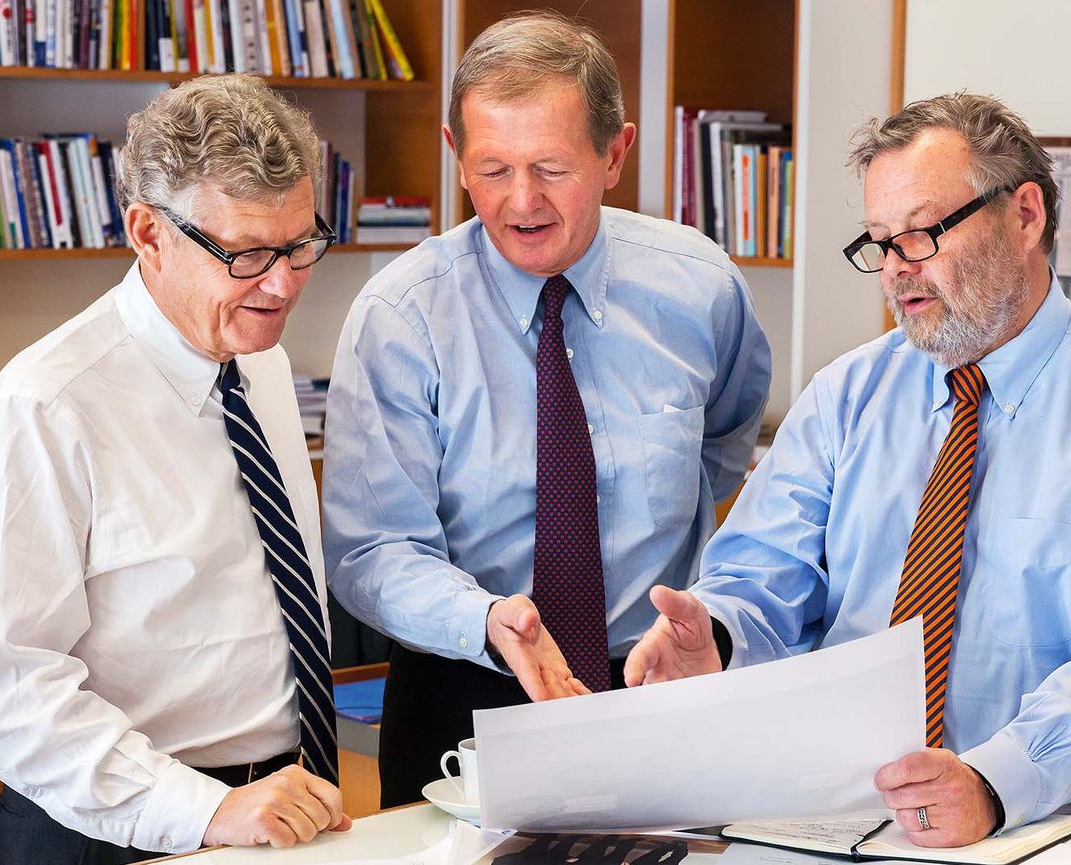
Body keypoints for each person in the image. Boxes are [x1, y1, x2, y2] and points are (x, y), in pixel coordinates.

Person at [625, 93, 1071, 849]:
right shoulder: (847, 392)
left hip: (1047, 828)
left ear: (1026, 215)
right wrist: (716, 632)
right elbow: (764, 576)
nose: (896, 273)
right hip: (842, 819)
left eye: (923, 236)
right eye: (879, 243)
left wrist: (992, 780)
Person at [323, 11, 771, 807]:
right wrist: (487, 618)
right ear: (456, 154)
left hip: (659, 685)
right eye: (491, 168)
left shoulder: (700, 286)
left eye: (551, 167)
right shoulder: (402, 315)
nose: (520, 201)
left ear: (614, 153)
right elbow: (370, 551)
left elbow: (726, 437)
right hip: (466, 688)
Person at [0, 75, 352, 864]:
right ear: (147, 232)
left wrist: (255, 804)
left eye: (301, 243)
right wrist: (207, 809)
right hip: (116, 829)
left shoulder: (256, 359)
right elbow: (14, 696)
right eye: (245, 253)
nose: (282, 284)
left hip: (280, 806)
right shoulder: (43, 410)